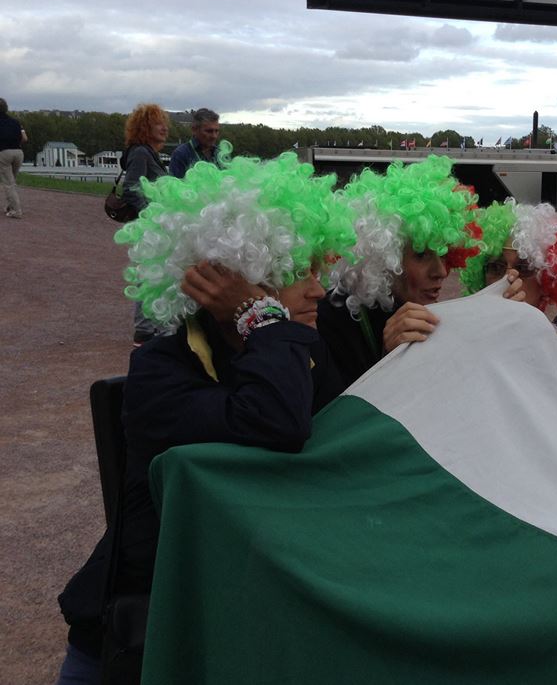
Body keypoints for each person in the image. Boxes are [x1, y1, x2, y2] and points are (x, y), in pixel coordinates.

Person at [55, 152, 356, 684]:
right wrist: (261, 315)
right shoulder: (159, 369)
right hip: (144, 633)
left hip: (242, 610)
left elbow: (347, 439)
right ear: (229, 282)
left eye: (316, 270)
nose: (316, 289)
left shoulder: (300, 351)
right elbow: (276, 422)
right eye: (293, 273)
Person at [316, 154, 485, 387]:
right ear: (383, 258)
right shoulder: (329, 322)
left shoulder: (418, 311)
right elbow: (338, 416)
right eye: (421, 254)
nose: (442, 272)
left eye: (443, 253)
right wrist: (388, 359)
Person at [459, 198, 557, 313]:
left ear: (546, 281)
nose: (507, 278)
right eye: (496, 268)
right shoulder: (463, 333)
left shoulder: (552, 339)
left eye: (523, 269)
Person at [121, 104, 172, 345]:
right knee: (150, 274)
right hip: (150, 225)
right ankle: (145, 329)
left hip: (154, 224)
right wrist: (151, 216)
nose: (164, 128)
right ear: (145, 127)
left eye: (165, 123)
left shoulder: (148, 153)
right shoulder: (141, 153)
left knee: (153, 274)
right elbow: (131, 188)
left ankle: (149, 327)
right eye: (158, 123)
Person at [168, 107, 222, 178]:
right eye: (209, 131)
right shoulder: (181, 154)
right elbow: (174, 186)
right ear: (194, 130)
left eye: (216, 131)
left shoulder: (219, 153)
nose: (214, 136)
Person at [0, 97, 28, 219]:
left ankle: (16, 211)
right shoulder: (15, 122)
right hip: (19, 153)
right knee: (11, 182)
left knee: (8, 184)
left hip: (4, 153)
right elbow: (25, 138)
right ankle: (9, 206)